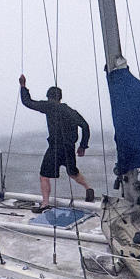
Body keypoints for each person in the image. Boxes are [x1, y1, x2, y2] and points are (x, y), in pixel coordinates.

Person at [19, 74, 94, 212]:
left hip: (55, 147)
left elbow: (27, 102)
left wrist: (23, 86)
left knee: (44, 175)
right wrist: (83, 146)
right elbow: (85, 126)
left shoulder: (49, 106)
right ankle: (88, 188)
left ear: (49, 97)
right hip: (69, 147)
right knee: (72, 172)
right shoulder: (71, 111)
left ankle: (45, 204)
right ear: (60, 97)